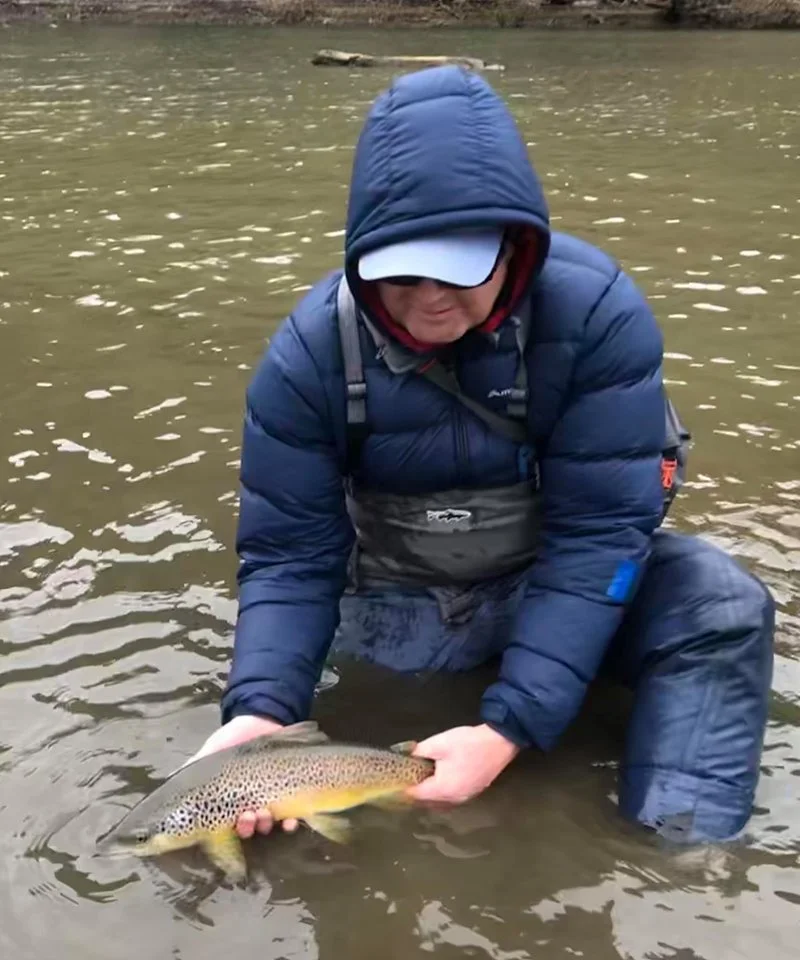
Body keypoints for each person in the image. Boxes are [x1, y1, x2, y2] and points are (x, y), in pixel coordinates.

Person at [193, 65, 775, 845]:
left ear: (517, 250)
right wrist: (260, 712)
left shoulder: (598, 315)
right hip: (397, 608)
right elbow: (291, 558)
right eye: (402, 273)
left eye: (460, 270)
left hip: (548, 581)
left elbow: (599, 540)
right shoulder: (305, 357)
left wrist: (508, 728)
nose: (431, 298)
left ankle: (680, 855)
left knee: (722, 605)